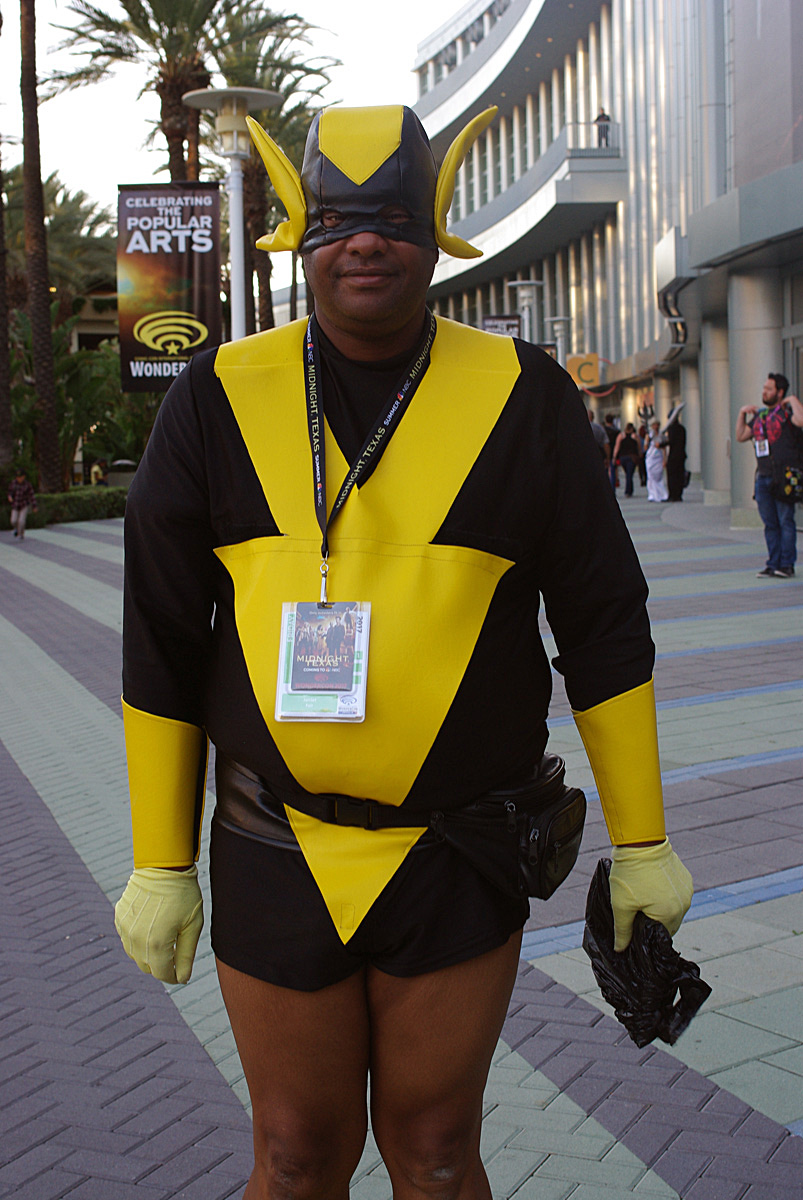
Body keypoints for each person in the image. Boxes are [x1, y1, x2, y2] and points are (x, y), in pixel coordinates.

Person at [114, 104, 693, 1200]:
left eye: (390, 217)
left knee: (433, 1155)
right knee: (294, 1156)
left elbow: (604, 626)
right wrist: (160, 861)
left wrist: (644, 843)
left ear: (433, 233)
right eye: (336, 219)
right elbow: (161, 637)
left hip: (457, 847)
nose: (364, 242)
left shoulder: (522, 394)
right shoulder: (216, 396)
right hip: (273, 839)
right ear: (299, 233)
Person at [735, 372, 803, 578]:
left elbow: (801, 420)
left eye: (769, 389)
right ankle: (773, 563)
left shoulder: (787, 413)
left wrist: (793, 400)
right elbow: (740, 436)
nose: (764, 392)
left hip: (784, 477)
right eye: (764, 388)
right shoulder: (760, 416)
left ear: (779, 392)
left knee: (785, 521)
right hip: (763, 476)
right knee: (770, 524)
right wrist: (742, 414)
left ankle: (786, 564)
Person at [662, 406, 687, 502]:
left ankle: (672, 495)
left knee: (672, 476)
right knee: (679, 476)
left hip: (673, 456)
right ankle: (678, 495)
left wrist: (661, 444)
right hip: (681, 455)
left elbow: (670, 441)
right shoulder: (682, 429)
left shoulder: (672, 429)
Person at [7, 467, 37, 540]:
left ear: (24, 477)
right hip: (15, 505)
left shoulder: (27, 485)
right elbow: (10, 492)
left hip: (24, 505)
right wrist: (10, 497)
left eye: (20, 477)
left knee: (21, 521)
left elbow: (32, 496)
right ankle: (16, 529)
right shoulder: (13, 483)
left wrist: (34, 506)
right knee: (13, 521)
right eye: (17, 477)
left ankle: (21, 534)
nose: (19, 479)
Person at [612, 422, 641, 497]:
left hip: (623, 457)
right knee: (629, 474)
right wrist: (640, 455)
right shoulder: (635, 436)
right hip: (632, 457)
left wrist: (614, 457)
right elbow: (639, 446)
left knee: (627, 473)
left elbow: (617, 447)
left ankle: (629, 490)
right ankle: (628, 491)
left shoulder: (621, 436)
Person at [645, 421, 669, 502]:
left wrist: (664, 459)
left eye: (657, 425)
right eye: (654, 425)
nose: (656, 427)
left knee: (658, 476)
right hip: (651, 456)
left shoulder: (661, 435)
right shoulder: (649, 435)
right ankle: (652, 494)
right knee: (651, 476)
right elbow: (645, 446)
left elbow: (664, 448)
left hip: (658, 457)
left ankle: (661, 494)